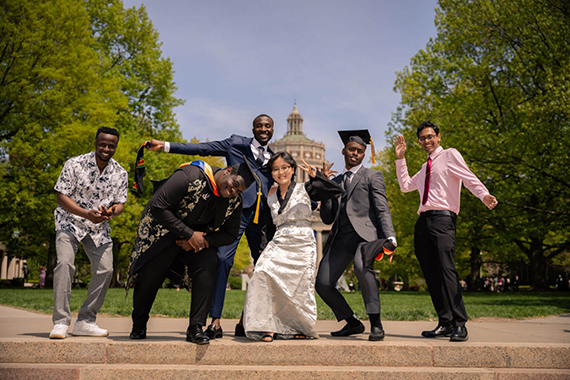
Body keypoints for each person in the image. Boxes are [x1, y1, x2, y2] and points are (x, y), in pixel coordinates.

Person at [144, 114, 274, 339]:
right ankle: (215, 321)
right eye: (259, 125)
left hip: (262, 218)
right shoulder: (235, 143)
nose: (263, 129)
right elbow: (203, 148)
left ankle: (247, 320)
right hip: (237, 213)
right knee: (222, 260)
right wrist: (166, 146)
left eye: (267, 126)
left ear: (272, 129)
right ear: (253, 128)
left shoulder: (275, 157)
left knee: (264, 268)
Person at [127, 160, 254, 345]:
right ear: (227, 172)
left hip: (194, 245)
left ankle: (196, 327)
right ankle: (139, 324)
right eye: (234, 185)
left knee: (210, 261)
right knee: (149, 278)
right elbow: (158, 205)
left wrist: (203, 241)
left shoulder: (234, 202)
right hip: (163, 236)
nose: (234, 192)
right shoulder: (190, 175)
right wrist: (189, 234)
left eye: (239, 191)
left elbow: (231, 234)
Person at [394, 120, 498, 342]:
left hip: (443, 219)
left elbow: (468, 177)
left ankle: (460, 323)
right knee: (431, 275)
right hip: (422, 222)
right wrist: (401, 159)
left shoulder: (450, 155)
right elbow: (405, 186)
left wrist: (484, 195)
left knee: (447, 270)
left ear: (438, 137)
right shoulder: (424, 168)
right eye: (422, 138)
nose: (426, 141)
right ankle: (445, 322)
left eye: (430, 136)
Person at [243, 152, 342, 342]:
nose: (280, 172)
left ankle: (300, 326)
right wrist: (262, 251)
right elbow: (266, 228)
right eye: (276, 169)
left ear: (293, 169)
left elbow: (333, 191)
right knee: (262, 271)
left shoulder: (306, 188)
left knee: (299, 287)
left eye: (284, 168)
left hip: (303, 242)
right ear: (271, 173)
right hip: (280, 240)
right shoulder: (269, 197)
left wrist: (318, 177)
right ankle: (268, 326)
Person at [315, 130, 397, 342]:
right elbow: (327, 218)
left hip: (365, 237)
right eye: (352, 150)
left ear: (363, 154)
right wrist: (325, 187)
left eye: (360, 151)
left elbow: (382, 209)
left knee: (362, 267)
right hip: (341, 238)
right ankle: (352, 322)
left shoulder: (372, 176)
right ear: (344, 150)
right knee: (322, 284)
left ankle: (376, 324)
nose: (355, 154)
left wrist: (390, 237)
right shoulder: (336, 181)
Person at [49, 127, 128, 339]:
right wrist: (85, 213)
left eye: (111, 145)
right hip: (70, 221)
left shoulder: (120, 173)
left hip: (98, 227)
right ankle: (61, 322)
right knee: (65, 264)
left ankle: (85, 320)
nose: (106, 148)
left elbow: (120, 203)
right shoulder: (74, 164)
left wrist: (111, 212)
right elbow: (61, 196)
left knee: (105, 270)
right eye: (103, 144)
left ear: (115, 147)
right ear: (95, 142)